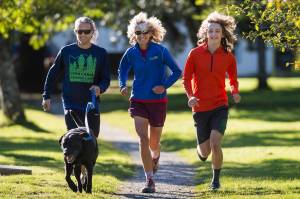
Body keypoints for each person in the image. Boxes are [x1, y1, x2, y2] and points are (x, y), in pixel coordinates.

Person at [118, 12, 182, 193]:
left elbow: (177, 71)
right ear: (134, 34)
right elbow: (122, 68)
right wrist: (123, 84)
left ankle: (156, 155)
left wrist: (164, 85)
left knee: (154, 142)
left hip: (158, 102)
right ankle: (149, 180)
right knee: (142, 138)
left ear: (151, 33)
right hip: (138, 99)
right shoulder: (131, 52)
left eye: (145, 32)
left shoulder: (160, 51)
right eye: (138, 33)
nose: (142, 36)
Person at [182, 11, 241, 190]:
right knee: (205, 151)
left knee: (216, 143)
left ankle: (215, 181)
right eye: (211, 31)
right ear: (205, 34)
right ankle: (200, 149)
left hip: (220, 105)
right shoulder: (195, 54)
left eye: (217, 31)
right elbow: (186, 78)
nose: (214, 34)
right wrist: (190, 96)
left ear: (222, 34)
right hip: (200, 107)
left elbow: (233, 78)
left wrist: (235, 91)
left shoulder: (228, 56)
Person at [42, 16, 110, 138]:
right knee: (74, 138)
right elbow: (52, 74)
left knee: (91, 139)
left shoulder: (101, 53)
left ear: (92, 33)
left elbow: (106, 79)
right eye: (79, 31)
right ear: (75, 32)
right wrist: (46, 95)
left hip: (91, 103)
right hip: (70, 103)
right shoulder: (66, 51)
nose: (82, 34)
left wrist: (100, 87)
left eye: (86, 31)